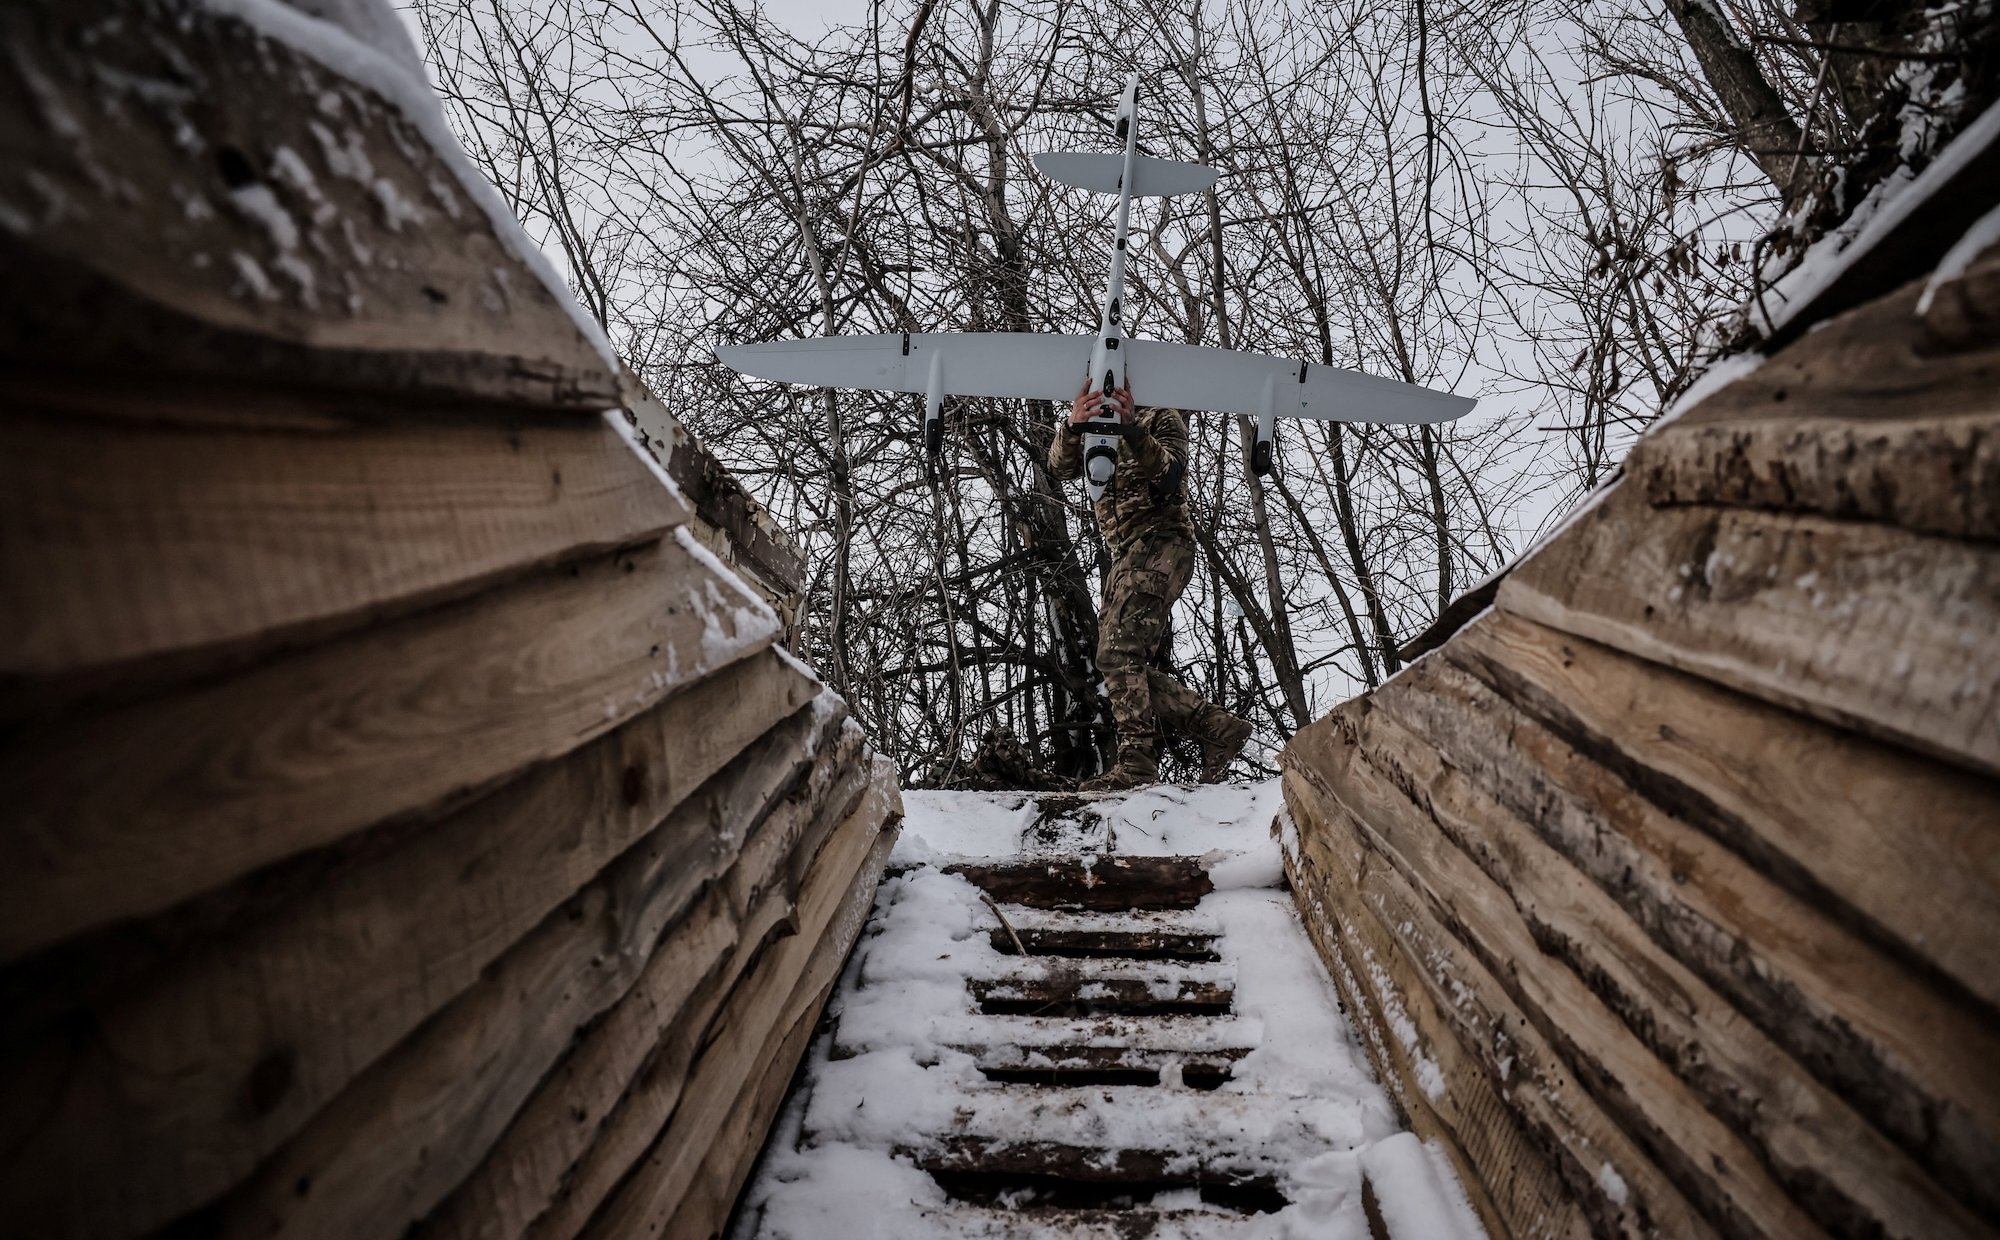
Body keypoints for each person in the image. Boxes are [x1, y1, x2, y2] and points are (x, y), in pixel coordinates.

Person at [1050, 379, 1253, 791]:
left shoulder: (1160, 417)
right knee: (1119, 661)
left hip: (1162, 540)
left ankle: (1138, 765)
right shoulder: (1093, 427)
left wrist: (1132, 429)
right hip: (1125, 554)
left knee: (1117, 651)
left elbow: (1170, 472)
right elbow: (1059, 467)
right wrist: (1073, 427)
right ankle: (1218, 727)